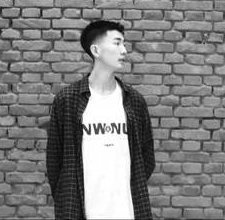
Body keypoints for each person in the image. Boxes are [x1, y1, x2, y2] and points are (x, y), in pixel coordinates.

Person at [45, 20, 156, 220]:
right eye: (117, 43)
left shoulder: (134, 101)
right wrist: (66, 199)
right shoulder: (68, 100)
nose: (124, 50)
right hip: (80, 209)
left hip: (127, 210)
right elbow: (55, 161)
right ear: (96, 50)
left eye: (123, 44)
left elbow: (146, 157)